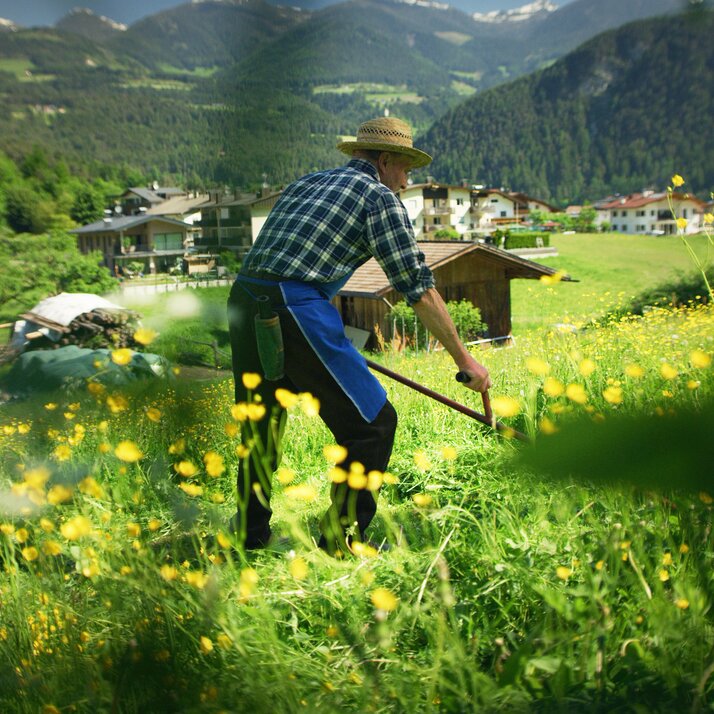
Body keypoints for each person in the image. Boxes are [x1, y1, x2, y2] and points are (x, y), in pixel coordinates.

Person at [227, 117, 491, 555]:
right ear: (385, 160)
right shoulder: (378, 198)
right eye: (405, 170)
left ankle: (249, 536)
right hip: (295, 305)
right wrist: (466, 361)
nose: (406, 182)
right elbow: (418, 288)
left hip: (245, 299)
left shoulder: (307, 183)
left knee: (260, 425)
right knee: (373, 423)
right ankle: (341, 541)